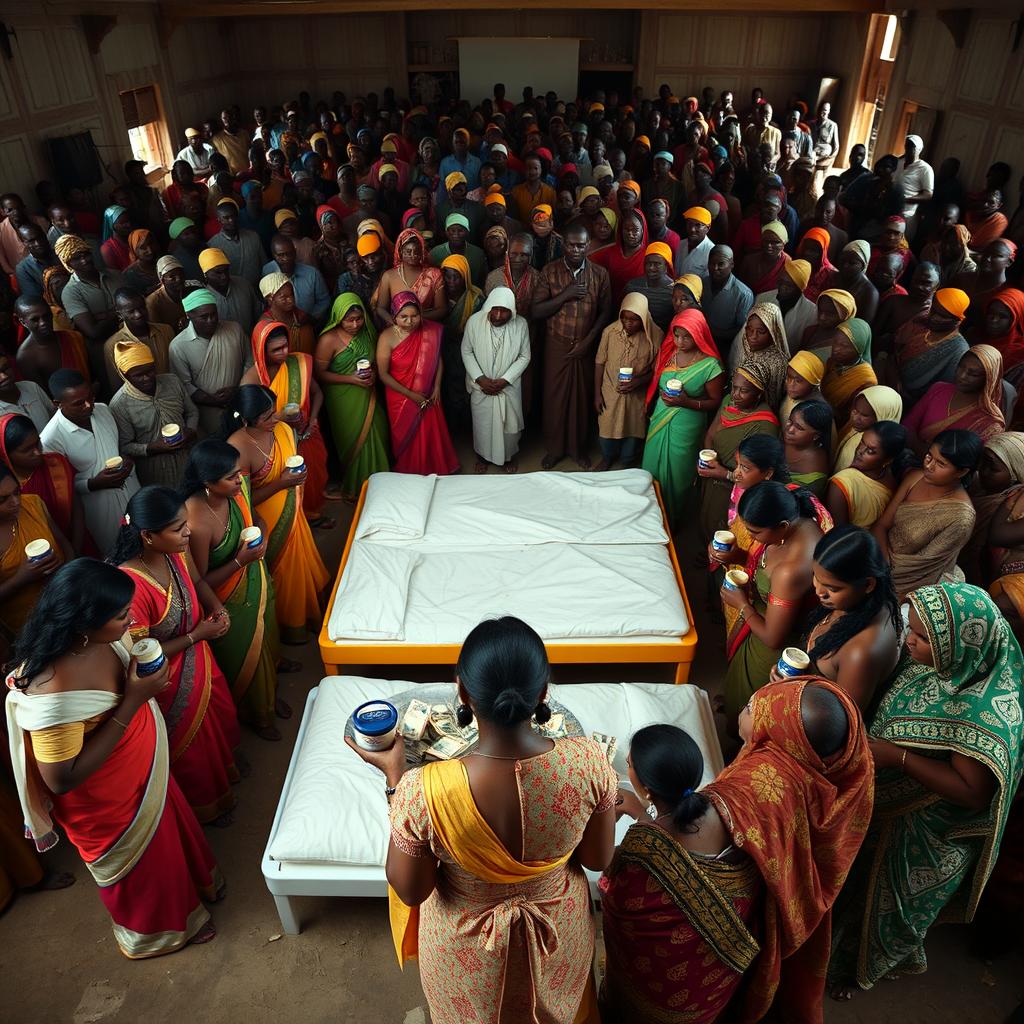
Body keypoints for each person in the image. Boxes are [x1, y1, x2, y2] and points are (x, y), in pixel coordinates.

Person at [346, 616, 616, 1024]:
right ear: (543, 691)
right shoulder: (588, 764)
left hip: (464, 950)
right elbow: (597, 858)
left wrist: (395, 781)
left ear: (462, 691)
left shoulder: (424, 791)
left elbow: (411, 889)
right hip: (558, 935)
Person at [4, 558, 223, 957]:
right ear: (82, 623)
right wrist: (135, 700)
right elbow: (61, 780)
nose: (130, 621)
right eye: (121, 614)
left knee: (167, 845)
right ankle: (158, 934)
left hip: (142, 769)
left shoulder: (102, 639)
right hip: (107, 803)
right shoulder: (51, 691)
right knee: (146, 869)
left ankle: (194, 893)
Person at [830, 583, 1023, 997]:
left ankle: (859, 971)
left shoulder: (982, 711)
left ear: (956, 644)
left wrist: (897, 758)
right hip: (885, 797)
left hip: (927, 831)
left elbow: (972, 792)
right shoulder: (948, 659)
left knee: (888, 907)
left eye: (920, 637)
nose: (909, 642)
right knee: (852, 884)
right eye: (911, 630)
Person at [705, 678, 873, 1023]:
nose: (745, 710)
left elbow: (706, 827)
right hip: (805, 899)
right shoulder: (851, 762)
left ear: (781, 737)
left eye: (753, 709)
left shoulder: (760, 785)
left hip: (753, 904)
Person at [600, 724, 761, 1024]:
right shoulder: (727, 805)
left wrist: (616, 822)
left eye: (630, 765)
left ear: (646, 789)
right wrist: (642, 814)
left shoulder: (643, 848)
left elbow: (612, 894)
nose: (628, 768)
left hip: (657, 998)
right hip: (713, 988)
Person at [110, 487, 240, 825]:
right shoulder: (131, 587)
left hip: (201, 659)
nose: (188, 532)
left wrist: (216, 606)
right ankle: (206, 808)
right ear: (148, 536)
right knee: (194, 751)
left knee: (217, 724)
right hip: (169, 680)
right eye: (178, 528)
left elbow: (196, 579)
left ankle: (225, 782)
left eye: (186, 523)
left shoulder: (176, 552)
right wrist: (197, 635)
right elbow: (139, 657)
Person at [183, 439, 285, 741]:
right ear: (207, 483)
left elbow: (256, 517)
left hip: (256, 578)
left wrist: (263, 535)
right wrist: (241, 561)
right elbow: (200, 581)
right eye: (230, 477)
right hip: (229, 598)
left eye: (237, 472)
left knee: (267, 635)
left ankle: (273, 688)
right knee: (248, 657)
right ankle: (260, 715)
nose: (239, 480)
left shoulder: (235, 494)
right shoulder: (196, 520)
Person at [721, 481, 832, 723]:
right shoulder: (798, 521)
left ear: (781, 526)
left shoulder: (790, 570)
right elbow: (764, 566)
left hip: (768, 647)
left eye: (755, 532)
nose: (750, 537)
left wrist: (742, 605)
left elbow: (773, 637)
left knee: (752, 709)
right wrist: (737, 556)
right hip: (762, 619)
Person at [225, 385, 328, 644]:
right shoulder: (238, 447)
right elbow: (243, 502)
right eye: (267, 417)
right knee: (284, 575)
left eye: (274, 412)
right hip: (268, 520)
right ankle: (291, 627)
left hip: (293, 510)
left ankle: (313, 616)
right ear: (247, 420)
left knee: (303, 563)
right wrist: (281, 484)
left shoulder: (282, 429)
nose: (275, 419)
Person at [779, 525, 902, 708]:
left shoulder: (860, 652)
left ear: (868, 584)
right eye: (816, 577)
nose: (819, 591)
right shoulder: (857, 602)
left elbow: (842, 724)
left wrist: (793, 687)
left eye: (832, 588)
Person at [532, 222, 612, 469]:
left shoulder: (600, 274)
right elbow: (536, 311)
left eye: (580, 245)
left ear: (588, 245)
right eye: (571, 244)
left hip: (586, 345)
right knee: (555, 399)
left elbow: (606, 311)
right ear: (563, 244)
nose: (576, 250)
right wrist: (565, 294)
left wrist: (589, 341)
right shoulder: (550, 271)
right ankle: (555, 450)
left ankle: (578, 450)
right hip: (557, 344)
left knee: (580, 399)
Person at [40, 369, 139, 554]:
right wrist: (93, 484)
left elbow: (116, 448)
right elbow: (59, 491)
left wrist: (126, 461)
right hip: (98, 510)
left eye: (90, 398)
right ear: (57, 404)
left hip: (131, 491)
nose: (88, 406)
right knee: (117, 555)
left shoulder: (103, 410)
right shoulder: (50, 440)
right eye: (78, 404)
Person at [873, 428, 980, 598]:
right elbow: (882, 525)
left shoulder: (961, 517)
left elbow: (922, 568)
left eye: (941, 464)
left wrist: (881, 576)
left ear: (962, 471)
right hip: (880, 559)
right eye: (929, 456)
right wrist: (881, 562)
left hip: (909, 582)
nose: (929, 466)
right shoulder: (915, 478)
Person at [243, 320, 330, 526]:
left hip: (305, 432)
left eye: (285, 346)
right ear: (261, 350)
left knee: (313, 477)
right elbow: (249, 424)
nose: (284, 353)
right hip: (275, 442)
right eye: (276, 349)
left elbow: (317, 393)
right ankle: (294, 523)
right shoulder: (251, 380)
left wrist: (313, 418)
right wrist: (280, 417)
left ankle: (313, 516)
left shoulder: (298, 363)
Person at [642, 309, 724, 524]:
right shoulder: (669, 353)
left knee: (678, 474)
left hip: (687, 424)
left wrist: (685, 402)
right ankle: (650, 517)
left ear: (699, 334)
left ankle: (672, 520)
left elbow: (715, 402)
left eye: (687, 336)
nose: (680, 341)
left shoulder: (710, 366)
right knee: (652, 466)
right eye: (677, 335)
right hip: (660, 417)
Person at [315, 293, 390, 500]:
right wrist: (350, 379)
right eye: (349, 320)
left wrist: (374, 373)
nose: (355, 324)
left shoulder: (367, 333)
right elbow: (320, 374)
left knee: (378, 435)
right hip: (342, 399)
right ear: (338, 318)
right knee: (352, 441)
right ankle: (357, 488)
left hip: (369, 394)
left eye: (359, 318)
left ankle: (380, 486)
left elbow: (376, 361)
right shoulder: (328, 340)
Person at [376, 292, 459, 476]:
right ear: (394, 315)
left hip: (428, 391)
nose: (409, 321)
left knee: (430, 432)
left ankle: (434, 466)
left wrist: (436, 387)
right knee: (407, 434)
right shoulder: (386, 337)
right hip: (400, 396)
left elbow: (437, 359)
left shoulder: (430, 331)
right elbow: (383, 374)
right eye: (403, 317)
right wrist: (411, 395)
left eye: (414, 316)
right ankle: (411, 469)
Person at [698, 366, 781, 540]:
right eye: (734, 387)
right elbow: (712, 433)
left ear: (758, 394)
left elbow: (758, 473)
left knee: (723, 526)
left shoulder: (766, 425)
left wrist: (725, 474)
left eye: (744, 391)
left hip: (734, 485)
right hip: (713, 472)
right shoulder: (728, 401)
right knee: (705, 515)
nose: (736, 394)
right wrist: (709, 457)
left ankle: (717, 562)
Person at [460, 287, 530, 474]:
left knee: (509, 428)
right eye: (495, 310)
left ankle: (509, 457)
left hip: (508, 388)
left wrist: (505, 380)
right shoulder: (474, 322)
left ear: (512, 311)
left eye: (504, 311)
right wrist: (480, 378)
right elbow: (466, 351)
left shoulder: (521, 325)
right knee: (483, 425)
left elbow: (525, 356)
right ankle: (482, 457)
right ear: (488, 307)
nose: (498, 315)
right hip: (480, 387)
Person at [108, 342, 198, 488]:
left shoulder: (172, 382)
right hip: (154, 472)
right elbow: (125, 446)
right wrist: (153, 447)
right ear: (124, 375)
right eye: (138, 375)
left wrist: (190, 431)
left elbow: (192, 412)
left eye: (150, 371)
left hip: (187, 460)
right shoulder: (120, 405)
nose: (147, 378)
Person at [169, 289, 251, 436]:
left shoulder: (234, 330)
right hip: (208, 414)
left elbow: (250, 362)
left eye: (214, 314)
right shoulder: (178, 346)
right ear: (189, 316)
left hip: (241, 402)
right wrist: (213, 400)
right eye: (204, 317)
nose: (211, 320)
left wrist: (239, 390)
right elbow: (183, 385)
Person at [0, 461, 68, 636]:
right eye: (3, 499)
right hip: (28, 629)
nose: (15, 502)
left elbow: (65, 545)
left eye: (17, 492)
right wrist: (20, 579)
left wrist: (63, 567)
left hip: (66, 606)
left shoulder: (33, 504)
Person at [903, 344, 1005, 452]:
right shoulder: (939, 389)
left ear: (989, 379)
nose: (962, 376)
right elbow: (908, 423)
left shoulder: (990, 422)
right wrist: (919, 449)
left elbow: (973, 460)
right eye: (960, 367)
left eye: (973, 374)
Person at [828, 420, 912, 529]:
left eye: (871, 451)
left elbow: (837, 534)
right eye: (862, 442)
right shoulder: (890, 478)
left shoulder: (842, 483)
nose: (860, 451)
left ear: (887, 460)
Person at [894, 286, 971, 403]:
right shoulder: (921, 321)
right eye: (934, 310)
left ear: (958, 320)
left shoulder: (958, 350)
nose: (934, 317)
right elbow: (894, 347)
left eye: (943, 316)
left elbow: (941, 390)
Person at [53, 234, 119, 349]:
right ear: (68, 264)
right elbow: (94, 332)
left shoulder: (115, 275)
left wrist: (105, 317)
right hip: (106, 347)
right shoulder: (70, 293)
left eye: (86, 254)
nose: (84, 261)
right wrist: (120, 312)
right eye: (76, 258)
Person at [104, 286, 173, 394]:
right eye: (131, 311)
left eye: (142, 308)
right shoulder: (113, 345)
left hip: (173, 392)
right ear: (119, 314)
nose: (138, 314)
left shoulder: (165, 331)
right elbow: (117, 386)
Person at [13, 297, 91, 390]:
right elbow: (41, 394)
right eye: (35, 319)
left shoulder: (73, 337)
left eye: (46, 316)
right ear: (23, 322)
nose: (43, 323)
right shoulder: (26, 357)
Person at [376, 228, 445, 326]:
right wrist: (395, 323)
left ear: (421, 251)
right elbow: (380, 308)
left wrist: (415, 319)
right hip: (398, 330)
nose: (413, 255)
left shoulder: (434, 275)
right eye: (408, 251)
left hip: (425, 328)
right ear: (400, 252)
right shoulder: (389, 276)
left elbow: (442, 309)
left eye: (416, 251)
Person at [728, 301, 790, 409]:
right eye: (749, 330)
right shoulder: (744, 343)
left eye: (761, 332)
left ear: (773, 332)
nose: (753, 336)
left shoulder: (777, 363)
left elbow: (772, 399)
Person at [821, 317, 877, 423]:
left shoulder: (866, 382)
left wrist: (819, 399)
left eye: (844, 346)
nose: (836, 349)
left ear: (859, 349)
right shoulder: (834, 361)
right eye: (835, 342)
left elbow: (848, 418)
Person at [703, 245, 754, 351]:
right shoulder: (702, 283)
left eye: (721, 264)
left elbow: (742, 330)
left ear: (732, 264)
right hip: (700, 340)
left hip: (725, 347)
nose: (715, 268)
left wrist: (712, 332)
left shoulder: (744, 294)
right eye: (712, 263)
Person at [201, 248, 261, 336]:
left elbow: (258, 313)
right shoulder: (203, 298)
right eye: (218, 272)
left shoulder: (244, 285)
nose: (224, 276)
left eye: (226, 270)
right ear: (205, 274)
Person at [209, 197, 266, 289]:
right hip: (235, 292)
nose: (231, 220)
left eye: (233, 216)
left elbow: (264, 264)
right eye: (226, 218)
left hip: (259, 288)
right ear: (219, 220)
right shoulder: (213, 246)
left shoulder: (253, 236)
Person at [783, 400, 833, 497]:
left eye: (799, 428)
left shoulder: (814, 478)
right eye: (790, 421)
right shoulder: (792, 440)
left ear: (816, 436)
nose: (790, 430)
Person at [623, 241, 675, 331]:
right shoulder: (632, 286)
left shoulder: (674, 291)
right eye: (648, 263)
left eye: (657, 264)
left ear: (666, 266)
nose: (651, 267)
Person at [738, 221, 789, 295]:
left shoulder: (788, 265)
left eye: (775, 242)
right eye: (766, 241)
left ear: (783, 244)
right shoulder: (749, 261)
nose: (769, 246)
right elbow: (740, 287)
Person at [146, 255, 188, 334]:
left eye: (181, 274)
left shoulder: (191, 289)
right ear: (162, 280)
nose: (178, 279)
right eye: (172, 277)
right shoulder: (152, 302)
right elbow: (158, 332)